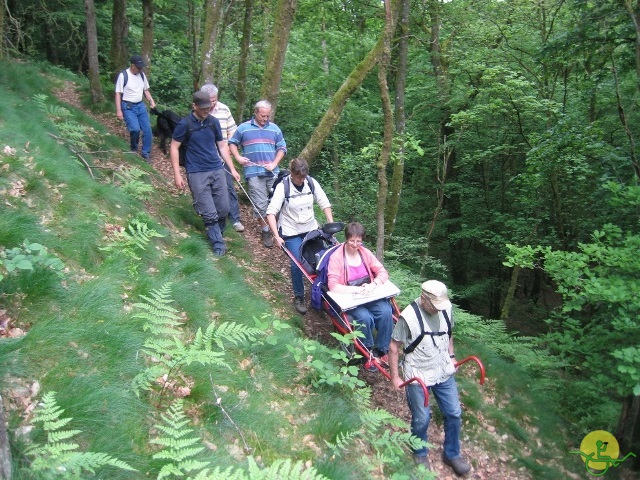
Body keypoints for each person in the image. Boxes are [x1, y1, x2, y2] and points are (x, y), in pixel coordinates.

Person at [389, 280, 471, 476]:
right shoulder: (408, 317)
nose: (439, 309)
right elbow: (393, 348)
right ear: (424, 299)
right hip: (418, 373)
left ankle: (451, 454)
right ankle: (419, 451)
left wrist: (451, 356)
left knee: (453, 413)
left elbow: (448, 334)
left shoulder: (446, 310)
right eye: (435, 305)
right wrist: (395, 377)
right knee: (422, 418)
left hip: (442, 368)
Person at [170, 91, 241, 256]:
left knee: (224, 208)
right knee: (209, 213)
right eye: (202, 108)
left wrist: (232, 168)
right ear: (194, 106)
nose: (205, 110)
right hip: (196, 171)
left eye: (208, 107)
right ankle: (218, 245)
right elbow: (174, 147)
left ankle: (217, 231)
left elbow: (222, 146)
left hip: (217, 168)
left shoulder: (213, 122)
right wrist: (177, 174)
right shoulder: (185, 124)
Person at [266, 158, 333, 314]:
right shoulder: (284, 187)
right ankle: (299, 296)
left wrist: (330, 223)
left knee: (321, 261)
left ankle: (320, 295)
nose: (301, 180)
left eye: (303, 177)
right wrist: (276, 236)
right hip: (291, 231)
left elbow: (324, 202)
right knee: (298, 264)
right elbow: (271, 212)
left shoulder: (311, 182)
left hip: (310, 229)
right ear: (292, 173)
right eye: (299, 177)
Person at [326, 222, 393, 371]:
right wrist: (354, 290)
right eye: (352, 241)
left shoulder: (365, 253)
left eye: (358, 241)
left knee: (386, 311)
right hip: (351, 298)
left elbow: (382, 272)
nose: (355, 245)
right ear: (346, 239)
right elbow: (333, 285)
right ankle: (366, 352)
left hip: (368, 294)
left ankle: (382, 350)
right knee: (365, 318)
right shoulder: (337, 257)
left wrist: (373, 284)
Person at [229, 100, 287, 248]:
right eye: (262, 116)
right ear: (255, 113)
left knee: (278, 202)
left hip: (273, 173)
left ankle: (280, 231)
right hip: (253, 172)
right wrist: (238, 157)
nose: (265, 119)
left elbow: (282, 148)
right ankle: (266, 230)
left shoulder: (274, 129)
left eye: (267, 116)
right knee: (260, 205)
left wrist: (274, 163)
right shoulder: (243, 128)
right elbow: (232, 143)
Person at [200, 83, 245, 233]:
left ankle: (235, 219)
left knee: (228, 187)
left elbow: (234, 131)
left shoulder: (224, 109)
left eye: (214, 100)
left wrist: (231, 147)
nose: (212, 103)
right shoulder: (199, 112)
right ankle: (212, 216)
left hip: (224, 156)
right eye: (210, 100)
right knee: (208, 188)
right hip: (206, 158)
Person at [115, 55, 156, 161]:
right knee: (135, 129)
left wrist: (151, 100)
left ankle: (145, 153)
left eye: (141, 67)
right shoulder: (123, 75)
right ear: (132, 65)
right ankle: (133, 148)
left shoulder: (142, 75)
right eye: (138, 67)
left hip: (140, 105)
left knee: (147, 130)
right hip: (128, 106)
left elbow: (145, 90)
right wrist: (119, 110)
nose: (140, 69)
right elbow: (118, 93)